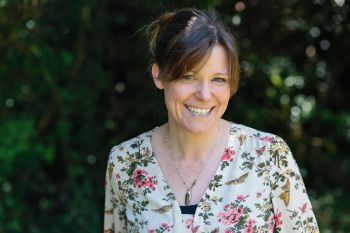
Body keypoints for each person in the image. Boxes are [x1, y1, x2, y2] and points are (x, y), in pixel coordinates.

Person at [104, 8, 319, 233]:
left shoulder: (268, 156)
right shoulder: (124, 163)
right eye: (189, 76)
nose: (205, 94)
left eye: (218, 79)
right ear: (158, 75)